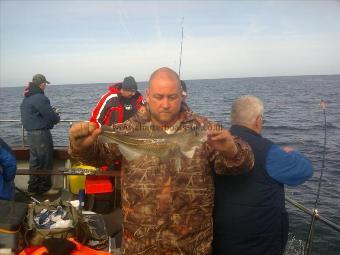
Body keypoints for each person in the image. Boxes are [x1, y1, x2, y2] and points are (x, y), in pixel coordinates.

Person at [69, 67, 254, 254]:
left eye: (172, 97)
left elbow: (243, 164)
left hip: (191, 245)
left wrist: (231, 150)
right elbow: (98, 156)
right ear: (148, 95)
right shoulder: (128, 129)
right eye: (158, 97)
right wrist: (81, 146)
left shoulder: (203, 128)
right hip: (139, 244)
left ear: (182, 95)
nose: (165, 104)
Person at [213, 95, 313, 255]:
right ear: (258, 120)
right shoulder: (270, 152)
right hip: (260, 245)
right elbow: (305, 170)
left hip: (220, 241)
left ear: (232, 118)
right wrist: (291, 154)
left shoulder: (214, 146)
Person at [20, 74, 60, 194]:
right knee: (45, 160)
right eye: (45, 84)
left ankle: (33, 187)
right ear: (41, 84)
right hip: (41, 134)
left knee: (35, 161)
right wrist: (56, 116)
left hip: (31, 134)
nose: (45, 86)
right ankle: (44, 189)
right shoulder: (39, 97)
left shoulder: (27, 97)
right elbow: (51, 116)